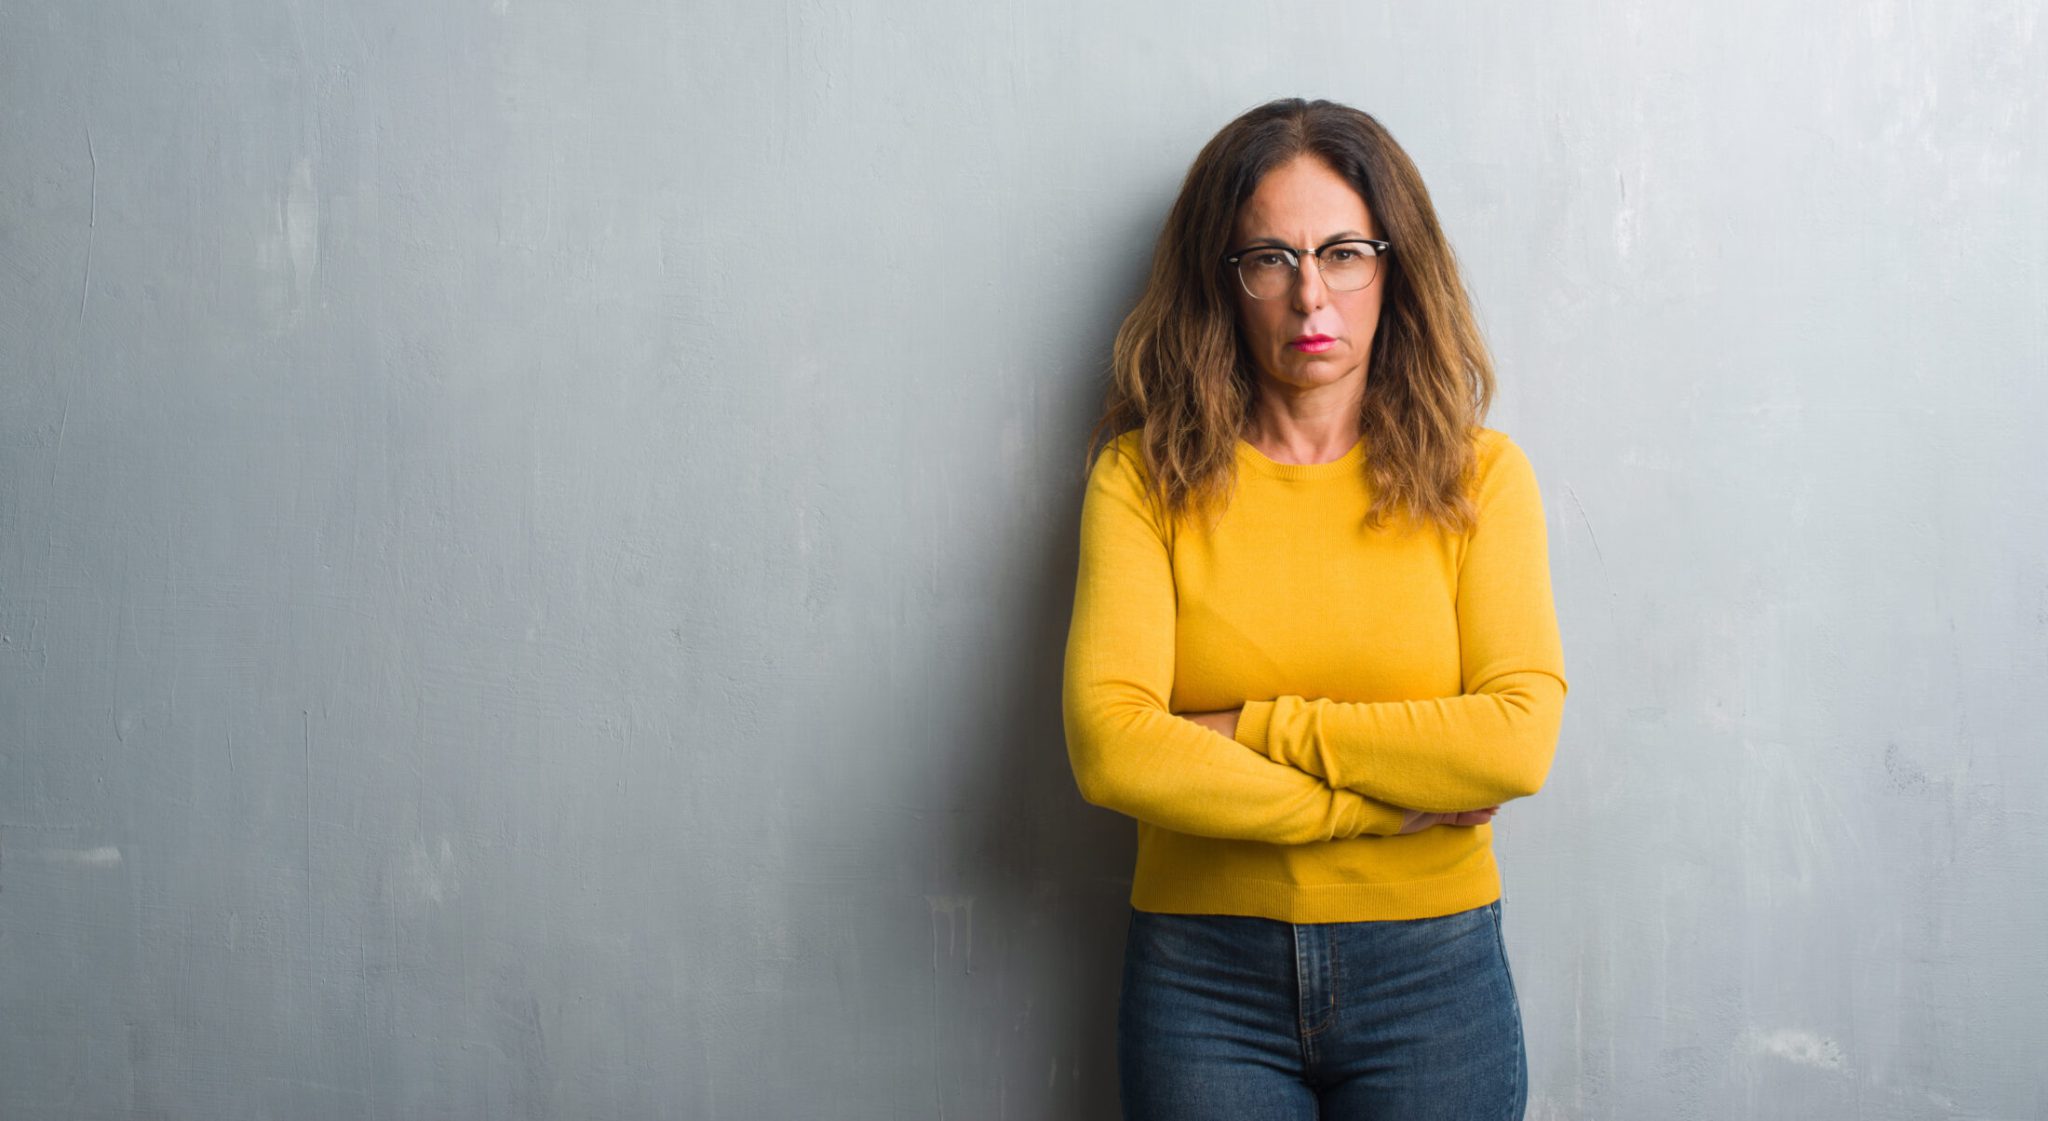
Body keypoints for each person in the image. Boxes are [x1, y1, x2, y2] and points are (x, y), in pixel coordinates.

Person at [1061, 97, 1568, 1120]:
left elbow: (1513, 742)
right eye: (1269, 258)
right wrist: (1378, 808)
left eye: (1342, 252)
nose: (1309, 298)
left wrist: (1251, 730)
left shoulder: (1481, 477)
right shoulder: (1139, 477)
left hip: (1432, 977)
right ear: (1222, 278)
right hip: (1202, 981)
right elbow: (1112, 747)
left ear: (1394, 265)